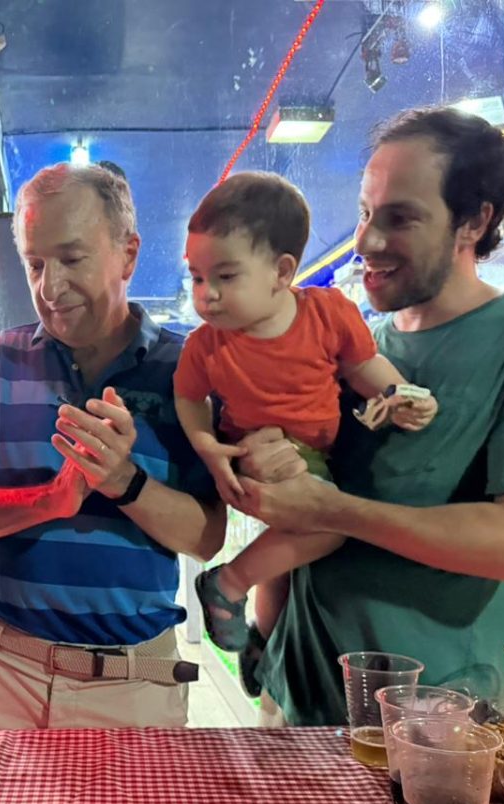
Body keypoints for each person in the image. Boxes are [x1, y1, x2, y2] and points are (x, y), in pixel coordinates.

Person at [232, 107, 504, 725]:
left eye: (400, 218)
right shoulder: (349, 350)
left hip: (432, 724)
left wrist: (335, 512)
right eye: (365, 213)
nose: (366, 242)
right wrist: (263, 634)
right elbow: (296, 508)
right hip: (292, 698)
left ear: (475, 221)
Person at [0, 162, 226, 729]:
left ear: (128, 255)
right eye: (35, 264)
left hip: (133, 682)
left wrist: (122, 481)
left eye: (71, 259)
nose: (49, 287)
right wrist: (51, 499)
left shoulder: (188, 369)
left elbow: (206, 537)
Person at [174, 172, 437, 694]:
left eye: (224, 276)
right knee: (328, 527)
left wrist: (398, 394)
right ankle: (228, 583)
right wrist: (206, 445)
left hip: (316, 453)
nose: (208, 296)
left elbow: (363, 367)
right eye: (197, 278)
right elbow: (188, 398)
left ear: (281, 271)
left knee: (292, 547)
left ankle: (263, 639)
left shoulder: (327, 314)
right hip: (262, 454)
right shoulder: (207, 346)